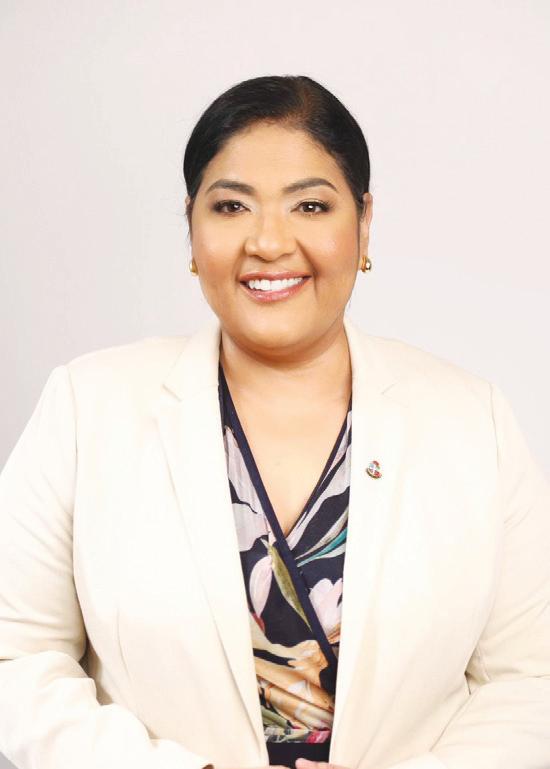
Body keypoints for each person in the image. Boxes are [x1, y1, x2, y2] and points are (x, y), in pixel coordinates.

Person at [0, 74, 549, 769]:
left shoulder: (473, 422)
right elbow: (16, 655)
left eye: (310, 205)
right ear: (192, 228)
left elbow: (532, 679)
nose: (267, 242)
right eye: (231, 206)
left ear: (364, 221)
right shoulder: (88, 407)